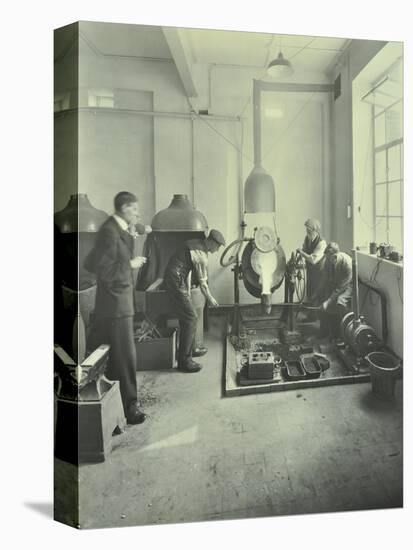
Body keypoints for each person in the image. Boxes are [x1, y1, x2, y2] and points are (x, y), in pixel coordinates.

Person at [87, 191, 147, 424]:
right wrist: (129, 264)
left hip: (116, 303)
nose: (137, 212)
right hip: (116, 306)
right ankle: (130, 408)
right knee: (125, 358)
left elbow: (91, 262)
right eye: (134, 208)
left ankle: (116, 405)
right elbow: (104, 270)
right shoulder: (110, 231)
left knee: (115, 358)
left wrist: (128, 240)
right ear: (124, 208)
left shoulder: (116, 230)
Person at [163, 229, 226, 373]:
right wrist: (211, 299)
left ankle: (191, 350)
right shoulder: (201, 255)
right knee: (191, 318)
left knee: (187, 318)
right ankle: (184, 362)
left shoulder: (195, 243)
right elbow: (203, 284)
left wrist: (188, 291)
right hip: (175, 280)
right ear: (211, 242)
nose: (216, 251)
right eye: (217, 247)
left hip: (175, 277)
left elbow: (187, 269)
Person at [309, 242, 352, 338]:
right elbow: (324, 279)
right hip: (335, 283)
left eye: (329, 258)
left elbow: (342, 287)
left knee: (339, 302)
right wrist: (317, 293)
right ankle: (324, 332)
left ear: (335, 256)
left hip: (348, 285)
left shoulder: (347, 263)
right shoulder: (328, 260)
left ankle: (340, 335)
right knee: (323, 299)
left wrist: (328, 301)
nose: (327, 260)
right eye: (327, 258)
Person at [296, 218, 326, 304]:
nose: (307, 232)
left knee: (317, 294)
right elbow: (304, 250)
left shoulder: (321, 243)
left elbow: (313, 260)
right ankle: (311, 316)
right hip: (310, 270)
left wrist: (301, 253)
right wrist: (297, 260)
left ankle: (317, 316)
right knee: (310, 291)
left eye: (309, 230)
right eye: (306, 230)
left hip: (319, 272)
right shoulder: (307, 238)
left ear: (315, 230)